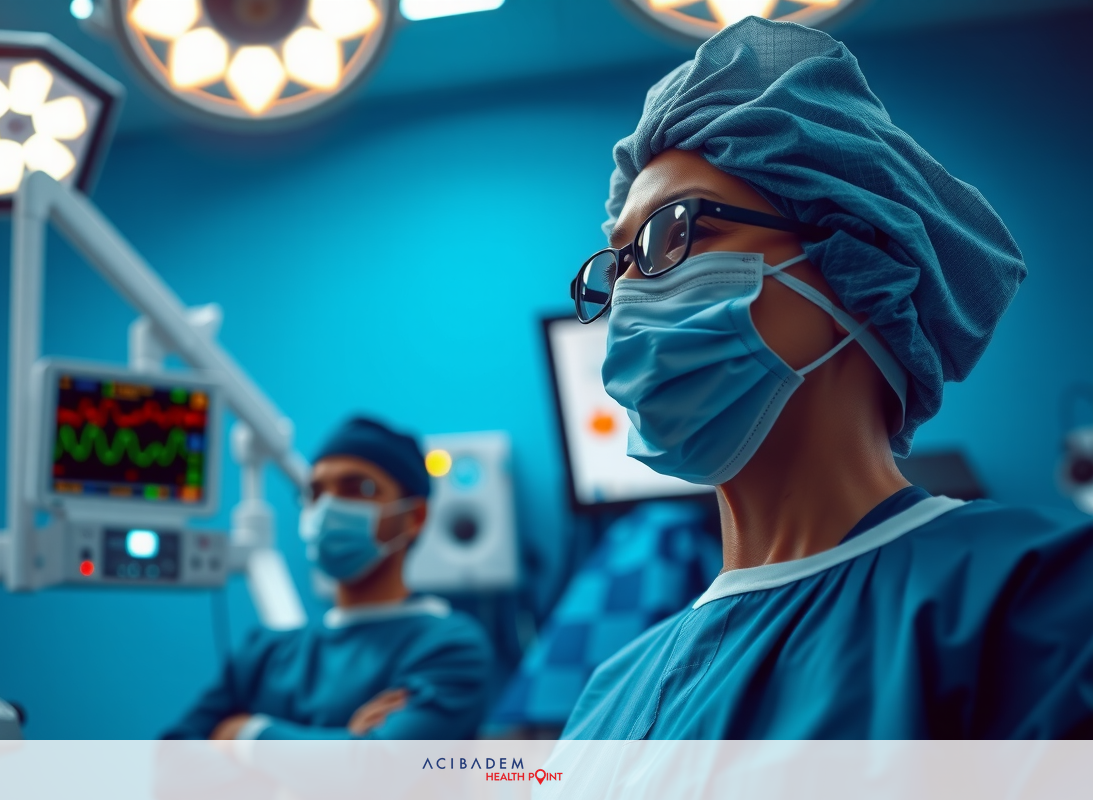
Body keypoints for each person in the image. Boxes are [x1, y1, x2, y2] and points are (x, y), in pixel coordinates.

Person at [563, 17, 1093, 738]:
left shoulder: (1036, 601)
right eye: (616, 262)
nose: (627, 295)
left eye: (668, 235)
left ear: (856, 262)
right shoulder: (609, 702)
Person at [164, 417, 494, 740]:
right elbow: (169, 764)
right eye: (315, 492)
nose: (329, 507)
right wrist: (335, 753)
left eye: (359, 489)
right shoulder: (265, 653)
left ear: (414, 517)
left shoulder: (448, 647)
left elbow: (380, 769)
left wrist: (245, 734)